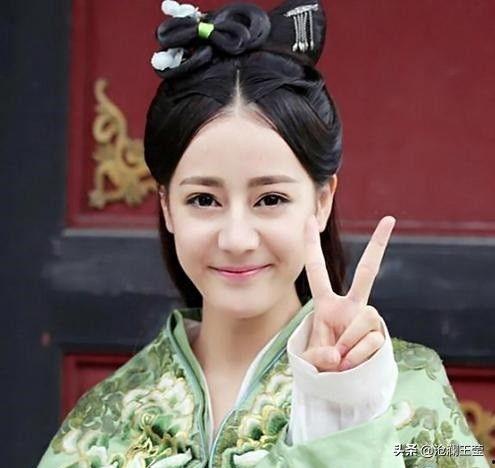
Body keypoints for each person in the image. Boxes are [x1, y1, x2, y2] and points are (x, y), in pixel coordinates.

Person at [37, 0, 489, 467]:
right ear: (167, 206)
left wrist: (343, 411)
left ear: (321, 201)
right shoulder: (106, 419)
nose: (237, 239)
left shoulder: (408, 390)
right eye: (203, 200)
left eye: (270, 199)